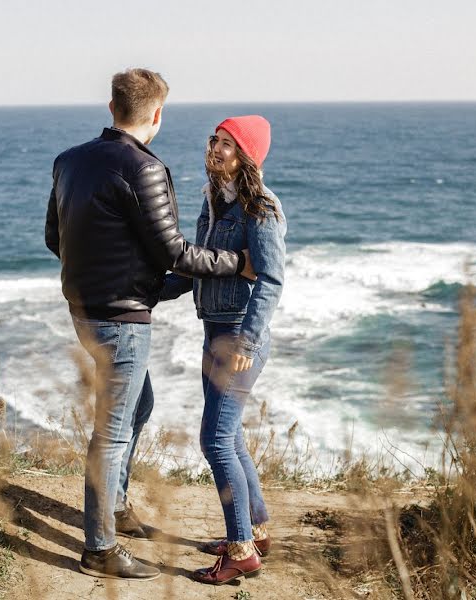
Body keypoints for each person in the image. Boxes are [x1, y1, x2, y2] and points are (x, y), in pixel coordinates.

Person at [44, 69, 256, 581]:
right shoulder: (145, 168)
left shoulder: (69, 161)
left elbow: (56, 238)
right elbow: (175, 253)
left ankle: (114, 507)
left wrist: (109, 275)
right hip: (121, 318)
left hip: (84, 308)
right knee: (112, 432)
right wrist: (236, 263)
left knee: (139, 404)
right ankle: (99, 548)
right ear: (156, 114)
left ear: (112, 106)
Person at [161, 115, 286, 585]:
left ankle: (240, 552)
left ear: (246, 155)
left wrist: (248, 343)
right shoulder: (214, 201)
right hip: (214, 330)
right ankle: (255, 530)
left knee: (214, 440)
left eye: (228, 144)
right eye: (214, 139)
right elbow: (200, 266)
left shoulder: (261, 209)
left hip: (237, 335)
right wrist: (147, 291)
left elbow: (270, 282)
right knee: (229, 437)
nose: (215, 149)